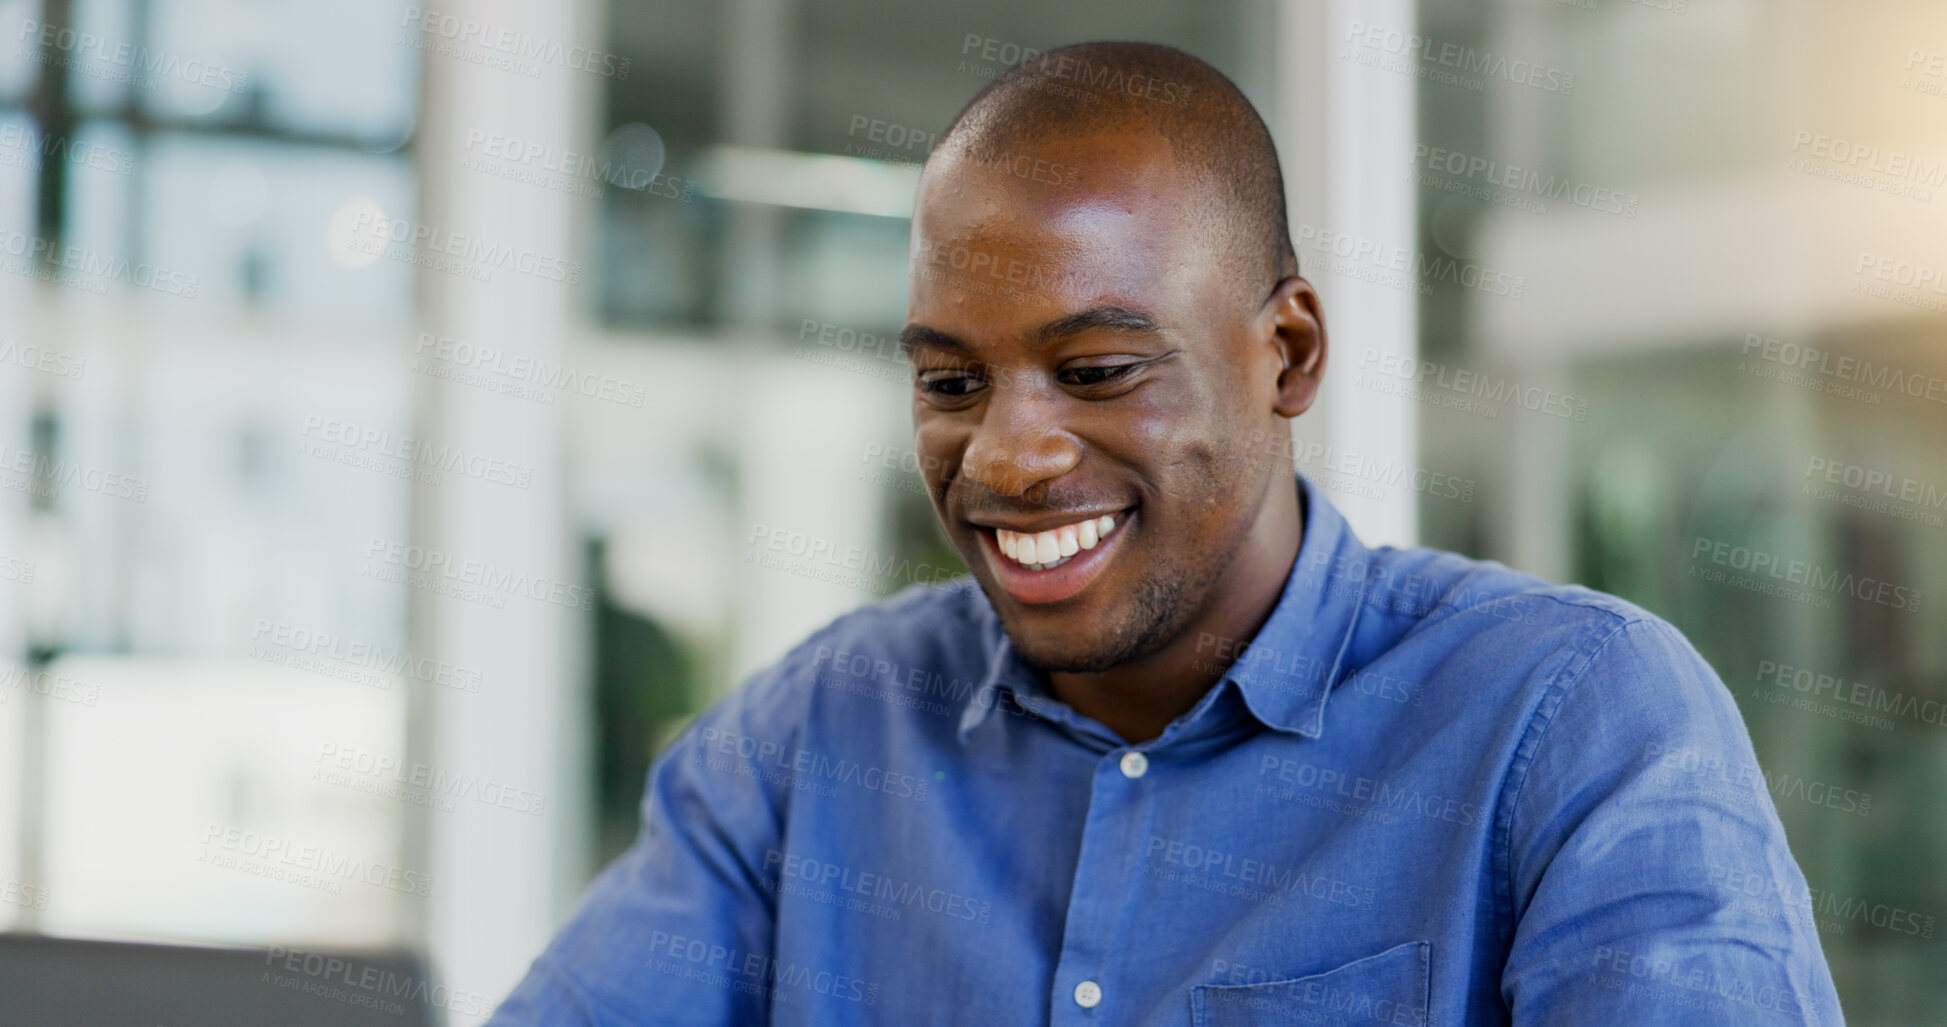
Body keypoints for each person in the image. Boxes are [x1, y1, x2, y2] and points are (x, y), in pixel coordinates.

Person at [488, 41, 1842, 1025]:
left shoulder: (1569, 721)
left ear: (1288, 354)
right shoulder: (818, 738)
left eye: (1097, 371)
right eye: (951, 382)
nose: (1007, 456)